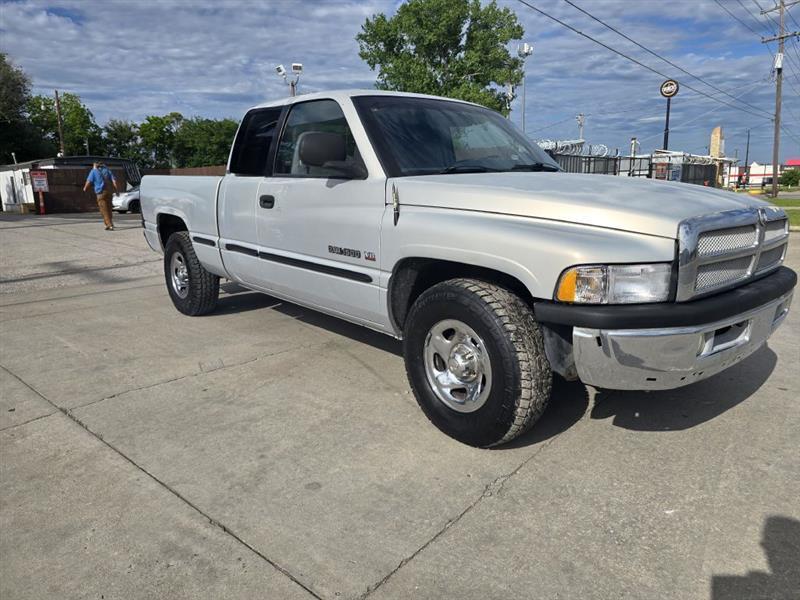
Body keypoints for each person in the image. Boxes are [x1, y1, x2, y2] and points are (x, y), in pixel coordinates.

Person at [83, 161, 118, 230]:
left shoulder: (93, 171)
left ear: (95, 165)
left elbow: (89, 181)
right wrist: (116, 190)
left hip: (100, 193)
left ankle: (109, 225)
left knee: (103, 210)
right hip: (109, 192)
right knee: (109, 208)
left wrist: (85, 188)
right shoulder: (107, 170)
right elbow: (114, 181)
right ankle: (109, 224)